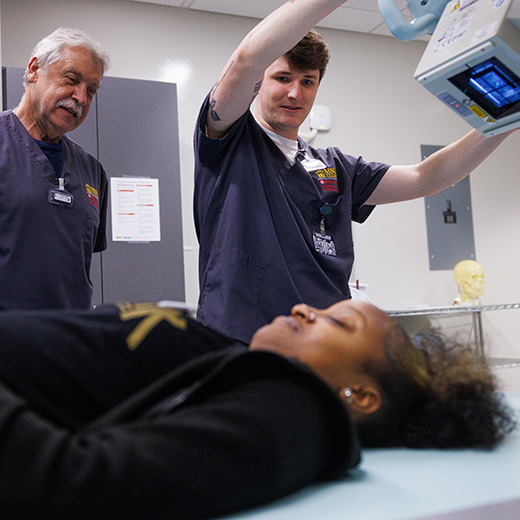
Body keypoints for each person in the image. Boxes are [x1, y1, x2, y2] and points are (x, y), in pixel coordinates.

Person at [0, 299, 515, 519]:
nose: (303, 308)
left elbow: (69, 481)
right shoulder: (238, 364)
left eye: (336, 323)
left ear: (360, 396)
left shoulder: (296, 413)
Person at [193, 0, 518, 344]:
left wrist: (504, 121)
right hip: (244, 344)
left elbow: (428, 178)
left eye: (308, 81)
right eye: (283, 77)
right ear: (260, 81)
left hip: (324, 347)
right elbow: (246, 60)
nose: (294, 92)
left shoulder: (336, 167)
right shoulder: (230, 140)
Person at [0, 27, 110, 310]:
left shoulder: (92, 170)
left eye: (91, 90)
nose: (81, 98)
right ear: (34, 70)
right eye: (72, 79)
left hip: (69, 341)